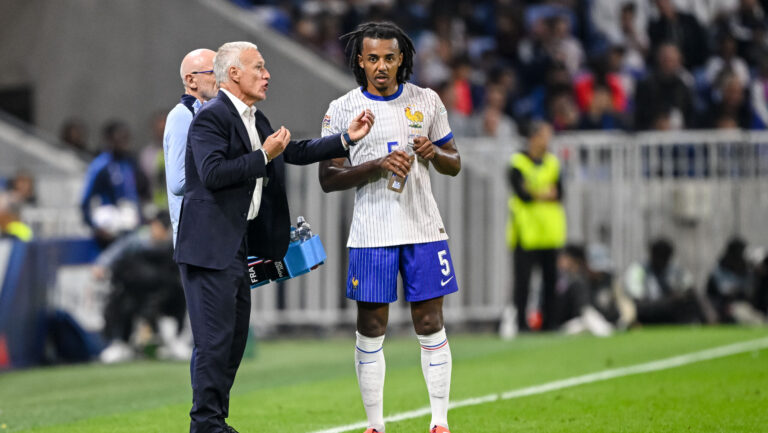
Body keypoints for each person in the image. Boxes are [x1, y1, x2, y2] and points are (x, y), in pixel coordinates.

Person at [174, 41, 374, 433]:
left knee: (231, 344)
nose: (267, 75)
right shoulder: (210, 118)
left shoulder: (253, 117)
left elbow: (293, 151)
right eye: (259, 67)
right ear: (233, 73)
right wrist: (263, 155)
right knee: (214, 343)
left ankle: (214, 421)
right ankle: (205, 425)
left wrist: (345, 140)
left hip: (234, 246)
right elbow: (213, 173)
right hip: (208, 249)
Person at [318, 22, 460, 433]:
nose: (381, 66)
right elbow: (329, 178)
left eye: (389, 58)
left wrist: (434, 152)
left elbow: (455, 163)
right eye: (373, 58)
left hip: (424, 230)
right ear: (360, 61)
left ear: (402, 60)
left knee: (431, 323)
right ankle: (375, 425)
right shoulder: (342, 107)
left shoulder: (426, 101)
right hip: (372, 234)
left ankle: (439, 422)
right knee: (371, 327)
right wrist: (376, 165)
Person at [94, 210, 188, 363]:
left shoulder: (174, 243)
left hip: (165, 292)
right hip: (136, 292)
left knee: (181, 296)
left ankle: (175, 342)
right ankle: (121, 344)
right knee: (120, 302)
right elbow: (115, 253)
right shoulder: (138, 241)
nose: (157, 230)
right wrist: (101, 266)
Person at [506, 120, 565, 332]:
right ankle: (521, 324)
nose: (548, 140)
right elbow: (522, 194)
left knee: (551, 282)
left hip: (549, 233)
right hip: (526, 232)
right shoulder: (518, 162)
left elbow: (559, 193)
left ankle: (551, 323)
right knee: (523, 283)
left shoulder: (553, 163)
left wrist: (534, 192)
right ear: (533, 137)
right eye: (545, 135)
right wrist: (543, 194)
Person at [163, 48, 218, 245]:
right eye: (213, 72)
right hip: (195, 240)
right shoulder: (182, 116)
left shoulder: (206, 116)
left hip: (211, 235)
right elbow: (178, 182)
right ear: (191, 80)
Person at [79, 121, 149, 247]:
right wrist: (94, 226)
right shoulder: (100, 165)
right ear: (109, 140)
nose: (124, 143)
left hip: (130, 221)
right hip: (109, 221)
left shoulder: (130, 162)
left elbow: (138, 192)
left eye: (126, 138)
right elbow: (85, 199)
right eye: (120, 138)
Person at [623, 238, 713, 324]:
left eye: (665, 256)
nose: (662, 260)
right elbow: (637, 299)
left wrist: (680, 295)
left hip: (671, 309)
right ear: (652, 254)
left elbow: (690, 289)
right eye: (659, 256)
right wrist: (667, 300)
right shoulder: (639, 270)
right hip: (649, 310)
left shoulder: (676, 271)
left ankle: (704, 323)